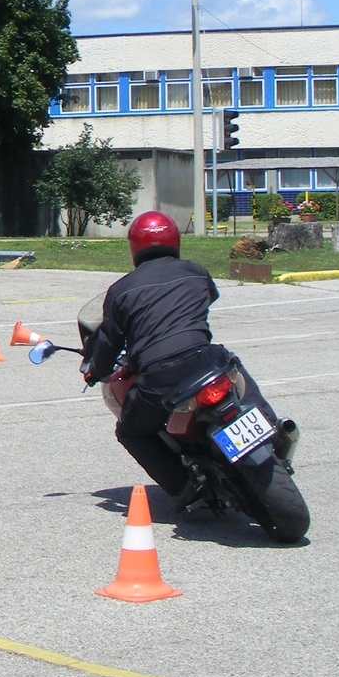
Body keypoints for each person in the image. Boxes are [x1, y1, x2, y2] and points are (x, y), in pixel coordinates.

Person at [78, 210, 282, 501]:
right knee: (235, 371)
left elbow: (110, 343)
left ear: (134, 246)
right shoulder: (196, 271)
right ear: (175, 240)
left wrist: (94, 372)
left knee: (131, 431)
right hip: (206, 359)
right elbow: (208, 297)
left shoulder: (120, 291)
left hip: (161, 376)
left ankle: (186, 486)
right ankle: (272, 428)